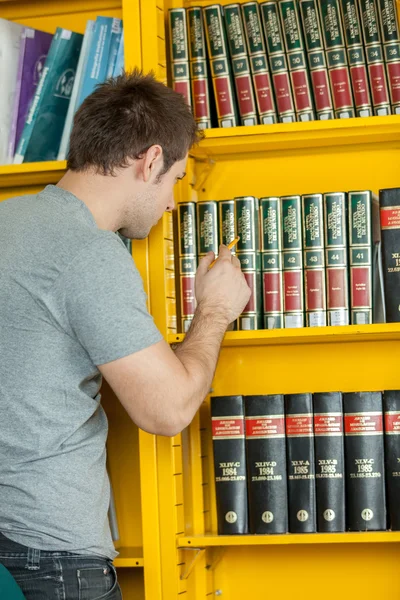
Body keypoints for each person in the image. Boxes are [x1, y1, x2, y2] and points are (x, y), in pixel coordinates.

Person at [0, 70, 251, 599]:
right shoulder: (87, 252)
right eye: (177, 179)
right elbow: (167, 411)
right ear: (151, 160)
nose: (171, 205)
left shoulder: (10, 222)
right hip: (48, 561)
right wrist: (216, 310)